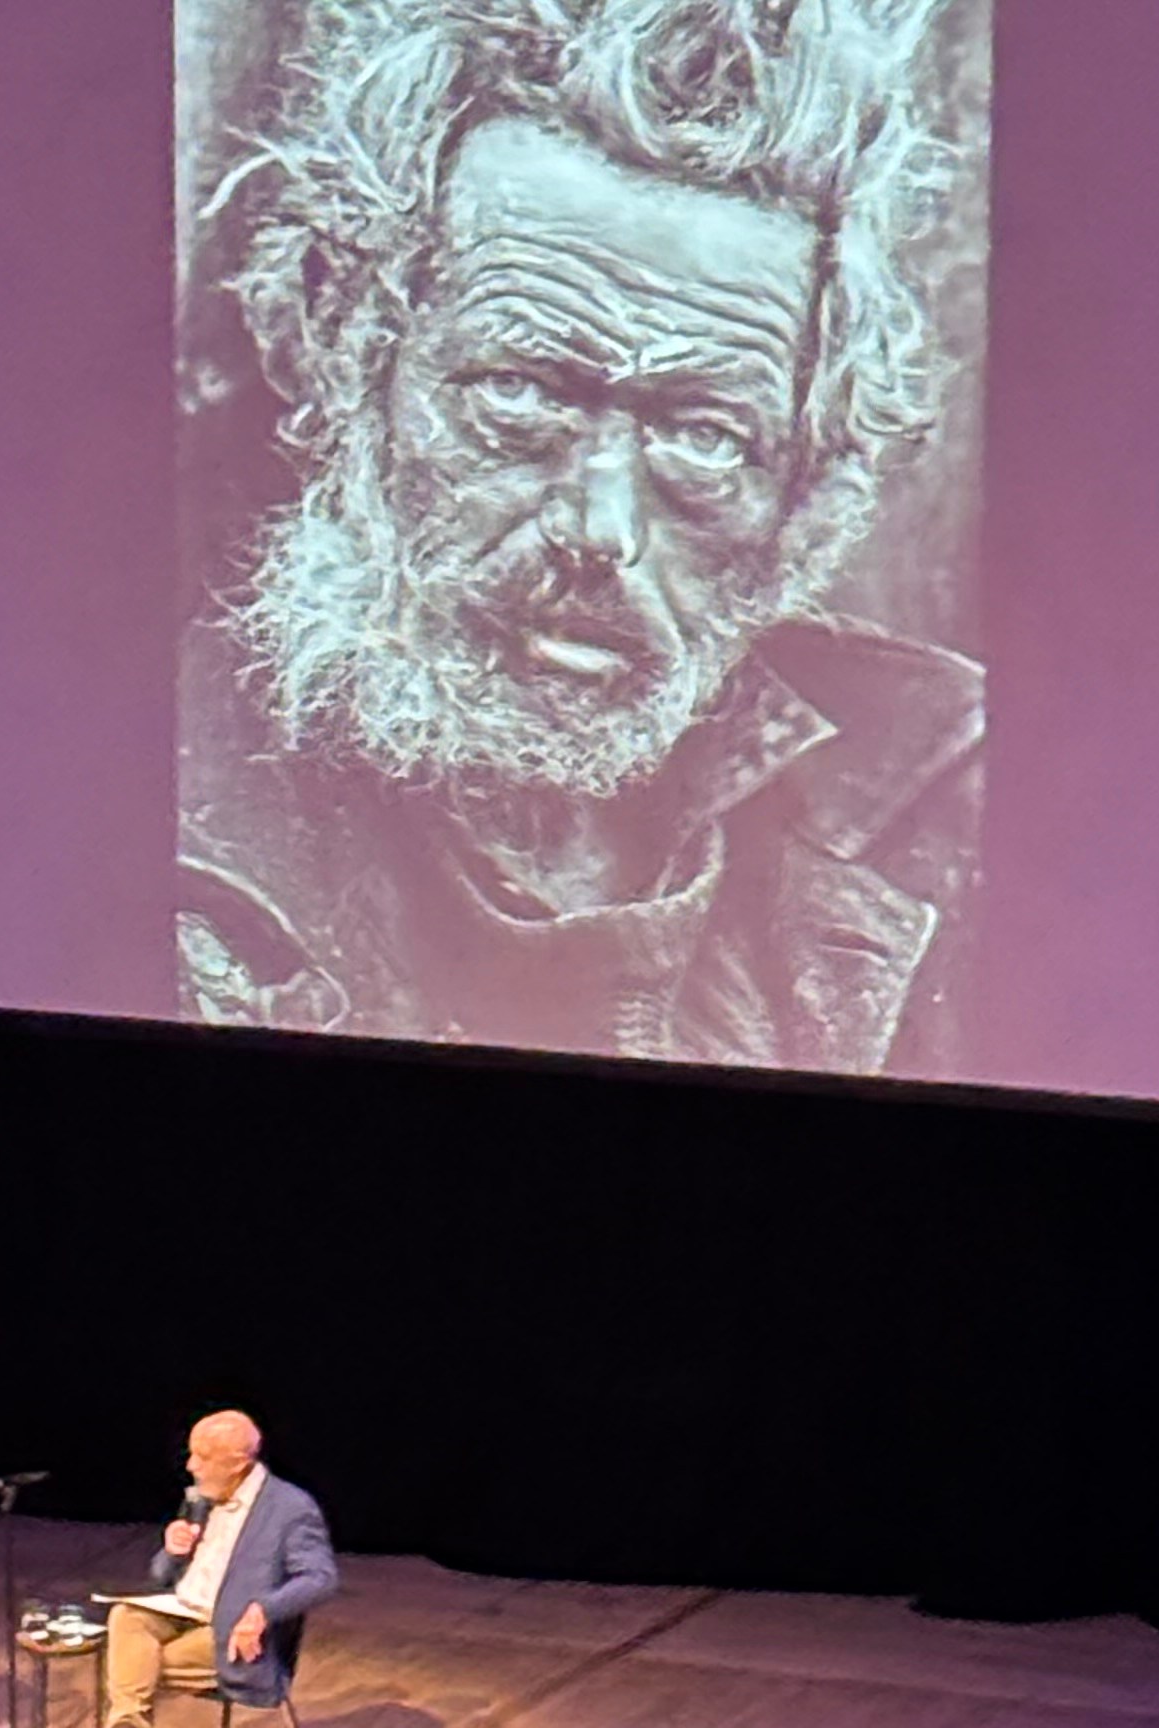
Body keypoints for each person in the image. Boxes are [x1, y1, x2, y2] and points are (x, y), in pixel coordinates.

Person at [180, 0, 982, 1077]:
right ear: (341, 340)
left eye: (703, 439)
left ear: (812, 488)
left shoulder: (946, 803)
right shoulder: (148, 834)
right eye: (517, 393)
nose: (597, 530)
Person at [23, 1410, 337, 1728]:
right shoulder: (202, 1499)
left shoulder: (290, 1509)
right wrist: (172, 1550)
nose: (191, 1466)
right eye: (191, 1454)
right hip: (181, 1612)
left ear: (239, 1462)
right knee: (125, 1617)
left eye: (203, 1457)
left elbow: (320, 1577)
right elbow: (161, 1575)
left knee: (133, 1674)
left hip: (234, 1635)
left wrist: (263, 1611)